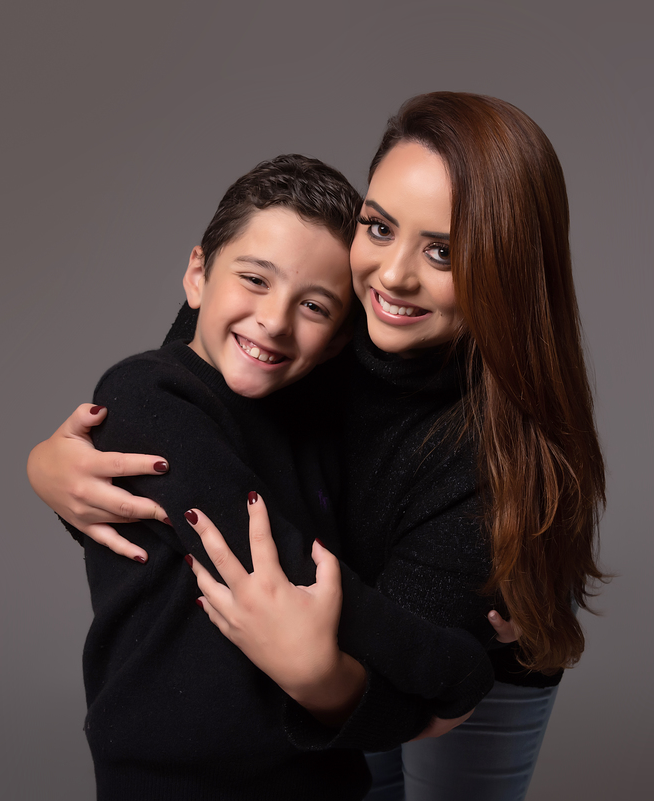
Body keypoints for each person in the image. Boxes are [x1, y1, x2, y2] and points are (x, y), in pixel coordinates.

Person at [30, 93, 606, 801]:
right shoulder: (307, 298)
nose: (392, 276)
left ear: (503, 269)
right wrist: (56, 467)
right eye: (379, 226)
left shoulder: (485, 457)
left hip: (467, 639)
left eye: (442, 252)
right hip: (356, 627)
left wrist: (412, 676)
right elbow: (176, 416)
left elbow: (408, 674)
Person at [64, 153, 494, 801]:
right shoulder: (145, 395)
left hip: (319, 773)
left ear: (340, 337)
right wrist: (456, 669)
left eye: (315, 306)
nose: (274, 319)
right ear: (197, 274)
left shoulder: (310, 422)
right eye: (255, 280)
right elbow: (296, 576)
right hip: (171, 783)